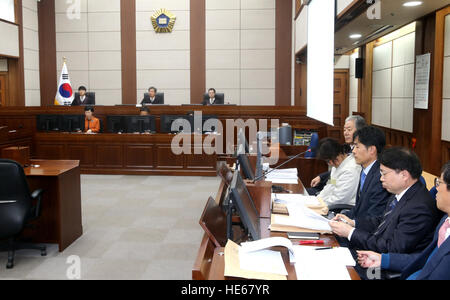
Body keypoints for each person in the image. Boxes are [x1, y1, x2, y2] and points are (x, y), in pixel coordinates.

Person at [330, 147, 442, 255]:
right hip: (373, 247)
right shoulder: (400, 192)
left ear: (404, 175)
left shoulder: (418, 208)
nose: (381, 178)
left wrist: (350, 232)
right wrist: (353, 223)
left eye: (384, 174)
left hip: (381, 266)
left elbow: (391, 248)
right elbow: (382, 222)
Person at [357, 161, 450, 280]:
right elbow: (427, 259)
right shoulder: (445, 222)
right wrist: (383, 260)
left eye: (439, 183)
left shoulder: (419, 206)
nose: (436, 189)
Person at [339, 126, 391, 220]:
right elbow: (359, 207)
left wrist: (350, 223)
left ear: (371, 150)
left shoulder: (380, 176)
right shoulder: (365, 169)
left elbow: (374, 216)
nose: (353, 151)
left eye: (357, 147)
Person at [308, 115, 366, 195]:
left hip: (344, 192)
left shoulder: (361, 154)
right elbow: (336, 175)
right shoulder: (346, 148)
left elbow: (342, 192)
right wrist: (322, 178)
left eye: (349, 130)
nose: (346, 133)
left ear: (360, 131)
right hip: (333, 186)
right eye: (344, 130)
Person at [315, 138, 361, 208]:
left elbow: (340, 199)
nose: (330, 164)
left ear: (339, 153)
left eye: (330, 160)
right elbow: (330, 185)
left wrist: (320, 205)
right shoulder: (336, 167)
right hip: (331, 203)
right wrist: (317, 199)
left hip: (343, 208)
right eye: (327, 161)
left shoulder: (351, 170)